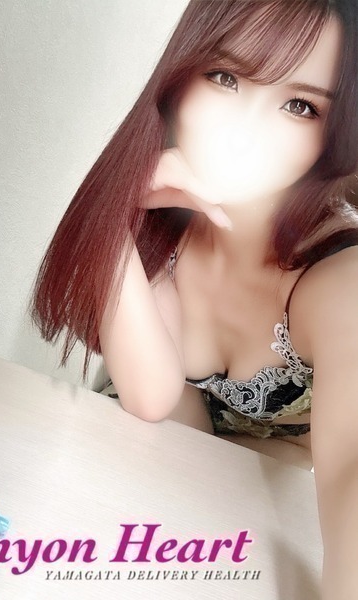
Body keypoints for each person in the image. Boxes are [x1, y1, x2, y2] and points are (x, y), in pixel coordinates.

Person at [30, 1, 358, 596]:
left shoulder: (342, 277)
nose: (247, 128)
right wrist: (122, 210)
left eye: (300, 106)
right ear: (180, 76)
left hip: (263, 513)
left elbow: (349, 477)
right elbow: (153, 396)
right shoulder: (164, 229)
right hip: (148, 485)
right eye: (226, 77)